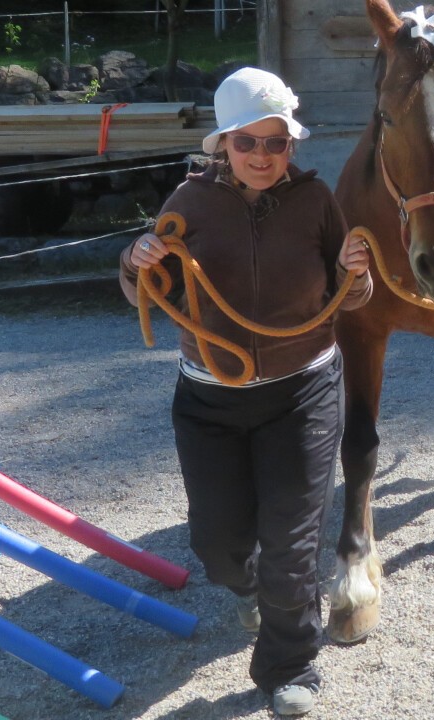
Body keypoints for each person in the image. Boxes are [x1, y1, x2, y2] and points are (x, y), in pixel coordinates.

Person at [118, 67, 372, 716]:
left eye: (275, 143)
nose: (262, 156)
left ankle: (291, 666)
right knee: (219, 547)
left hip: (301, 394)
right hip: (209, 400)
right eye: (247, 143)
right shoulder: (188, 203)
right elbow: (149, 291)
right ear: (224, 146)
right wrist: (137, 260)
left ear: (292, 145)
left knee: (291, 544)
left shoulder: (317, 202)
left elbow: (354, 296)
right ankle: (258, 590)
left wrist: (354, 273)